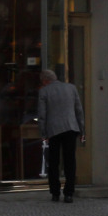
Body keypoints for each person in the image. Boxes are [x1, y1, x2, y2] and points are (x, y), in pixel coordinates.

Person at [37, 69, 85, 203]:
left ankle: (55, 192)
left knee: (53, 162)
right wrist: (82, 130)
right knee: (70, 160)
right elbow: (79, 110)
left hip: (54, 130)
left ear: (45, 81)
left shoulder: (44, 91)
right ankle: (69, 193)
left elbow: (42, 115)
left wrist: (43, 133)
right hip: (71, 128)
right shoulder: (71, 88)